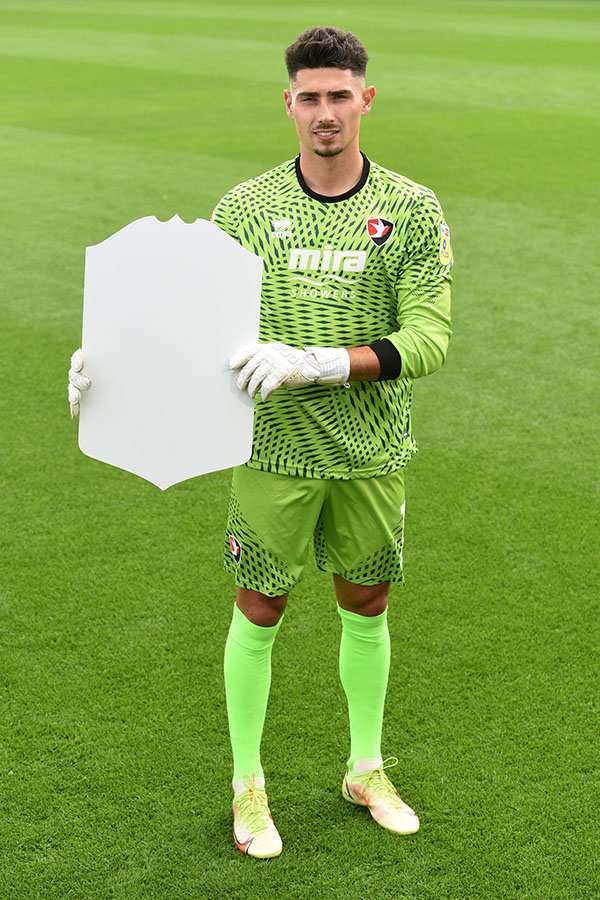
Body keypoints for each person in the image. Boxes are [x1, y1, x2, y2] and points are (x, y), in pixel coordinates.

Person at [69, 25, 452, 861]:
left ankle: (365, 768)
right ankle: (249, 784)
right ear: (289, 103)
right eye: (309, 97)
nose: (325, 113)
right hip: (271, 451)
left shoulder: (413, 209)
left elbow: (429, 339)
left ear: (366, 100)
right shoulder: (244, 208)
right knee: (260, 608)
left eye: (339, 96)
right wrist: (107, 367)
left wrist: (320, 361)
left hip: (370, 451)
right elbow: (187, 315)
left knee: (367, 604)